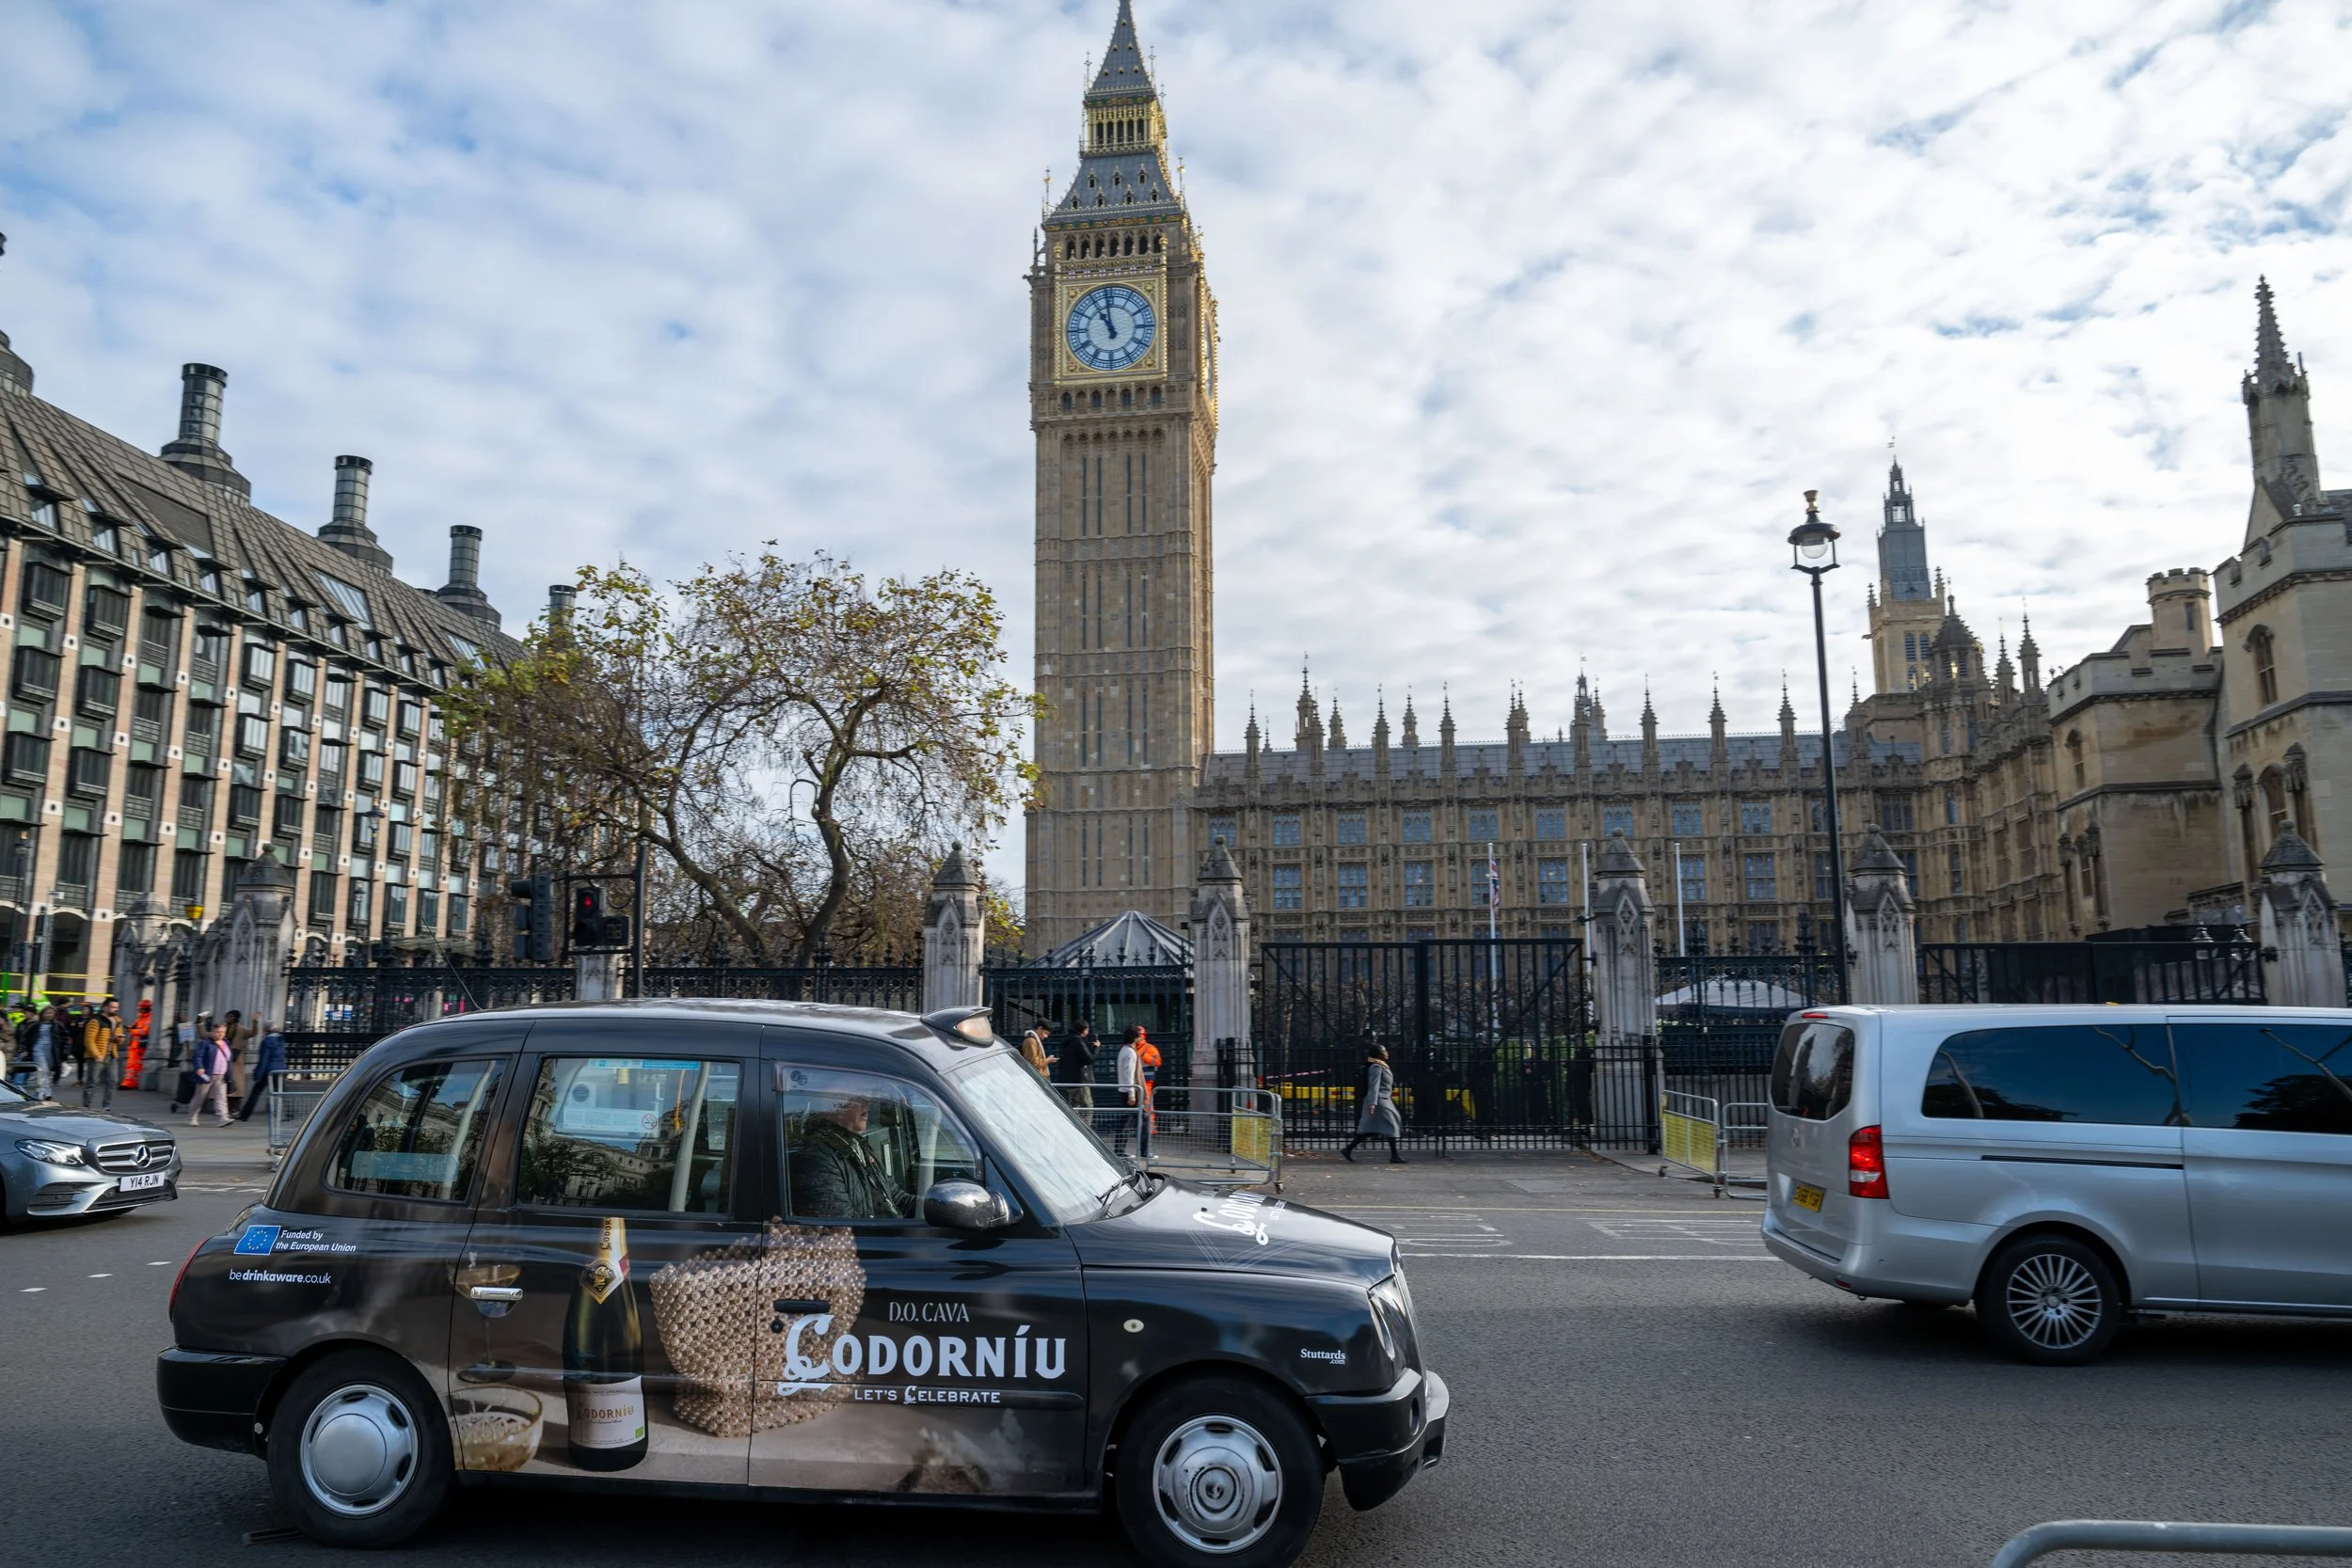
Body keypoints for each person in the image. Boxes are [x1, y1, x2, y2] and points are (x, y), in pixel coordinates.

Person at [789, 1094, 909, 1219]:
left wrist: (928, 1204)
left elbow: (896, 1197)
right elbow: (847, 1229)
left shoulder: (857, 1144)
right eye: (854, 1095)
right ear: (827, 1104)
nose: (868, 1101)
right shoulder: (815, 1159)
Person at [1343, 1043, 1407, 1164]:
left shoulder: (1382, 1066)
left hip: (1383, 1099)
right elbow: (1374, 1086)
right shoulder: (1376, 1067)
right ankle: (1394, 1156)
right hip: (1379, 1100)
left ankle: (1348, 1149)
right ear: (1378, 1054)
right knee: (1392, 1124)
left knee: (1367, 1128)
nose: (1387, 1053)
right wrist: (1373, 1103)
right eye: (1384, 1051)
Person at [235, 1020, 290, 1123]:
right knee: (282, 1092)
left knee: (256, 1092)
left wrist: (257, 1074)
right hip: (280, 1069)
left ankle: (244, 1115)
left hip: (268, 1070)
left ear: (266, 1030)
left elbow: (264, 1059)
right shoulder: (280, 1040)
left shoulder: (267, 1041)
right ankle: (289, 1113)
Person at [81, 996, 127, 1111]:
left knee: (112, 1081)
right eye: (113, 1007)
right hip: (97, 1057)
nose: (115, 1009)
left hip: (112, 1056)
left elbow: (120, 1040)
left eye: (117, 1007)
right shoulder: (95, 1021)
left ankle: (106, 1106)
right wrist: (96, 1055)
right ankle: (86, 1106)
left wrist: (118, 1038)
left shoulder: (118, 1020)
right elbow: (89, 1040)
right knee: (92, 1082)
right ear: (105, 1007)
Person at [187, 1021, 233, 1129]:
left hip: (222, 1075)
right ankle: (193, 1117)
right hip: (207, 1074)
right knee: (200, 1096)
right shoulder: (205, 1043)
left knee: (221, 1097)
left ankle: (223, 1118)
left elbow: (229, 1059)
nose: (220, 1034)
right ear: (212, 1032)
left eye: (222, 1032)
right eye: (218, 1032)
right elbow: (198, 1056)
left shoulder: (226, 1043)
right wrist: (199, 1067)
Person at [21, 1005, 63, 1101]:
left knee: (46, 1071)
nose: (48, 1015)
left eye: (50, 1013)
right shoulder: (36, 1025)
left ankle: (39, 1093)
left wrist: (63, 1053)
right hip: (38, 1049)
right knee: (42, 1069)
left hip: (51, 1051)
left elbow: (65, 1039)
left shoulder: (58, 1025)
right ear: (42, 1014)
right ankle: (47, 1092)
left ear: (54, 1014)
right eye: (46, 1013)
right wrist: (24, 1050)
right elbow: (25, 1037)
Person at [1056, 1020, 1097, 1112]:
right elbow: (1088, 1059)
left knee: (1073, 1109)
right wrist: (1096, 1048)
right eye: (1087, 1029)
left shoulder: (1067, 1042)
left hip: (1070, 1082)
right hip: (1080, 1081)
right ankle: (1085, 1126)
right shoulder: (1079, 1041)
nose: (1088, 1032)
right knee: (1087, 1108)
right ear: (1083, 1030)